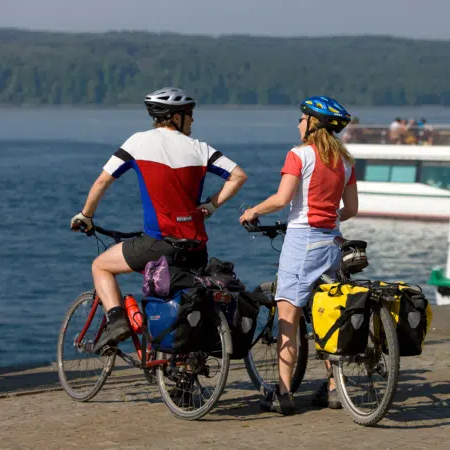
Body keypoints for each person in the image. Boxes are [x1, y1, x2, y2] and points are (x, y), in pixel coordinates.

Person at [70, 87, 248, 354]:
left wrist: (86, 215)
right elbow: (238, 176)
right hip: (197, 247)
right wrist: (210, 205)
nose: (193, 120)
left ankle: (117, 321)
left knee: (101, 266)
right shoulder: (200, 148)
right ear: (175, 117)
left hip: (159, 243)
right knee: (188, 301)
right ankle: (185, 370)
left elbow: (102, 181)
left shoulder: (137, 143)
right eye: (189, 114)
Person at [239, 96, 358, 415]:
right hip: (333, 242)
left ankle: (284, 392)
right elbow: (353, 209)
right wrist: (329, 219)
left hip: (302, 241)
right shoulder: (346, 161)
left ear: (313, 123)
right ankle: (334, 388)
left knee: (288, 315)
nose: (298, 123)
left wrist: (253, 211)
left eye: (302, 118)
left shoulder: (299, 155)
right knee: (328, 312)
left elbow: (282, 198)